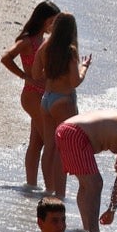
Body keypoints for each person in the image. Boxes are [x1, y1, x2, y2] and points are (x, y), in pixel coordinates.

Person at [0, 1, 60, 188]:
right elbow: (6, 57)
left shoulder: (44, 40)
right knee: (51, 143)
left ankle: (31, 185)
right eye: (53, 21)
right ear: (44, 20)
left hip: (42, 96)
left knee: (37, 143)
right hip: (32, 96)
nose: (54, 26)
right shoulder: (28, 41)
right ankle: (51, 188)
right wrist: (25, 76)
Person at [38, 14, 92, 198]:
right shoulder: (70, 51)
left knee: (49, 146)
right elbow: (75, 81)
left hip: (46, 99)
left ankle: (48, 188)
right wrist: (84, 67)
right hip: (63, 100)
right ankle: (59, 194)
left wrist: (51, 71)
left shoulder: (46, 46)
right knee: (62, 148)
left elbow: (37, 73)